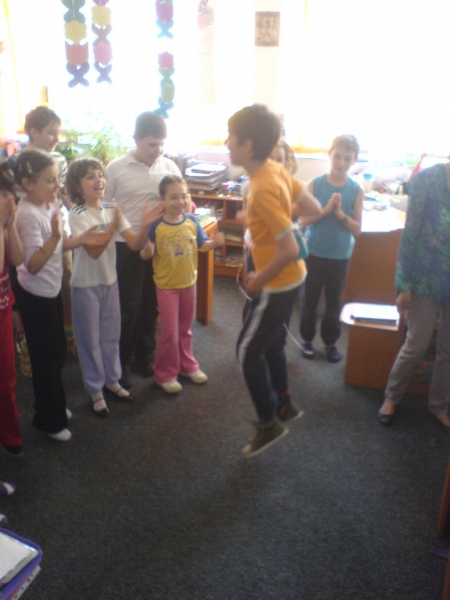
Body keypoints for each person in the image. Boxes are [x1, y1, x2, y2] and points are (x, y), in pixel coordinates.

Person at [227, 104, 321, 458]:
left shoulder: (262, 186)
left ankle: (268, 423)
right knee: (270, 343)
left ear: (247, 145)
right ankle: (284, 403)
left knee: (246, 351)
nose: (226, 143)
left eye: (230, 137)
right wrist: (277, 217)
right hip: (294, 278)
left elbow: (289, 247)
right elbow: (311, 207)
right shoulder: (274, 170)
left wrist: (258, 279)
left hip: (277, 282)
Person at [13, 150, 108, 442]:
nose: (57, 186)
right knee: (45, 358)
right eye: (50, 180)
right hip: (35, 295)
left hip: (51, 289)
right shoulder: (28, 215)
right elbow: (32, 264)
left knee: (55, 354)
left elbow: (59, 244)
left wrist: (80, 239)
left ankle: (51, 406)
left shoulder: (49, 203)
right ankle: (48, 420)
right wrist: (55, 236)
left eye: (58, 179)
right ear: (28, 184)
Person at [66, 159, 164, 416]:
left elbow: (133, 243)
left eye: (100, 175)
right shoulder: (77, 213)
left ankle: (112, 380)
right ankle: (95, 390)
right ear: (77, 186)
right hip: (85, 285)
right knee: (90, 340)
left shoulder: (112, 208)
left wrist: (145, 224)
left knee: (111, 335)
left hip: (110, 281)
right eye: (90, 177)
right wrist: (113, 223)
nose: (98, 180)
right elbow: (94, 251)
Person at [104, 112, 183, 389]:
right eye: (151, 144)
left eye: (161, 144)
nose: (157, 150)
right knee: (129, 305)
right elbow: (105, 205)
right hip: (126, 244)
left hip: (159, 243)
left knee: (152, 303)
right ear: (136, 139)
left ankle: (144, 355)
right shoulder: (116, 168)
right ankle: (121, 362)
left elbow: (181, 199)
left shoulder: (169, 167)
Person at [378, 160, 450, 430]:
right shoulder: (427, 180)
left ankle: (438, 405)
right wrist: (404, 285)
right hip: (424, 277)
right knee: (416, 344)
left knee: (448, 350)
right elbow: (410, 235)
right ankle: (391, 397)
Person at [140, 175, 224, 393]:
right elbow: (145, 254)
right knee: (170, 332)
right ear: (163, 200)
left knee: (185, 330)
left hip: (189, 284)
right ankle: (165, 374)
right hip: (167, 287)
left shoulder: (191, 221)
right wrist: (147, 251)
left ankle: (187, 366)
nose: (180, 201)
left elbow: (202, 246)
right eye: (174, 197)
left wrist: (215, 243)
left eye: (184, 196)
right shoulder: (156, 225)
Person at [299, 134, 364, 363]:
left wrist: (339, 214)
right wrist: (325, 211)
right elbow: (302, 221)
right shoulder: (315, 184)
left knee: (334, 303)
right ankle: (307, 340)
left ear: (354, 160)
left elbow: (357, 230)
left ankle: (330, 343)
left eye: (347, 158)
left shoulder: (356, 189)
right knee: (310, 300)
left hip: (340, 256)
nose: (341, 162)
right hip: (314, 252)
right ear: (329, 155)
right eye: (337, 156)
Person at [0, 162, 25, 496]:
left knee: (6, 377)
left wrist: (11, 224)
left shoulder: (5, 221)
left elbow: (17, 259)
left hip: (4, 307)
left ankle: (9, 435)